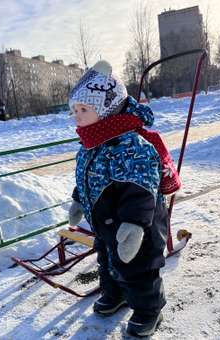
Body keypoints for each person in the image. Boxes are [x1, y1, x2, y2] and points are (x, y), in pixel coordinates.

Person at [68, 60, 180, 337]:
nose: (77, 116)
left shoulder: (132, 145)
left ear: (106, 109)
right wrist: (79, 199)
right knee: (107, 261)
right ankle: (115, 294)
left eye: (83, 109)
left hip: (136, 228)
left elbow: (140, 188)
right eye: (74, 110)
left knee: (139, 269)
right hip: (106, 225)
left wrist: (133, 224)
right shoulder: (90, 144)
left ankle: (148, 311)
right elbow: (86, 177)